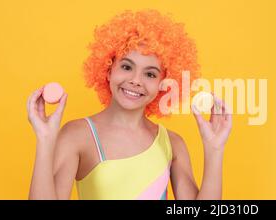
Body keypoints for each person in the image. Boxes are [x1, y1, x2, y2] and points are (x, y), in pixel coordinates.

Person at [26, 10, 232, 200]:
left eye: (150, 74)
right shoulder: (77, 135)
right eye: (126, 66)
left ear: (164, 85)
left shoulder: (172, 144)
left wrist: (215, 149)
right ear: (108, 69)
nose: (136, 80)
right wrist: (45, 141)